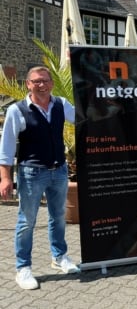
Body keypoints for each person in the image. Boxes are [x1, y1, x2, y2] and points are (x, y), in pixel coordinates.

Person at [0, 66, 79, 290]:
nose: (41, 85)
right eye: (36, 81)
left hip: (59, 170)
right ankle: (23, 268)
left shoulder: (62, 105)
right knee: (27, 221)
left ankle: (60, 257)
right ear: (28, 84)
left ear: (52, 83)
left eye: (45, 80)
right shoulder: (17, 110)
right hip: (31, 173)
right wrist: (5, 178)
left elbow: (83, 120)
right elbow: (6, 147)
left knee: (58, 217)